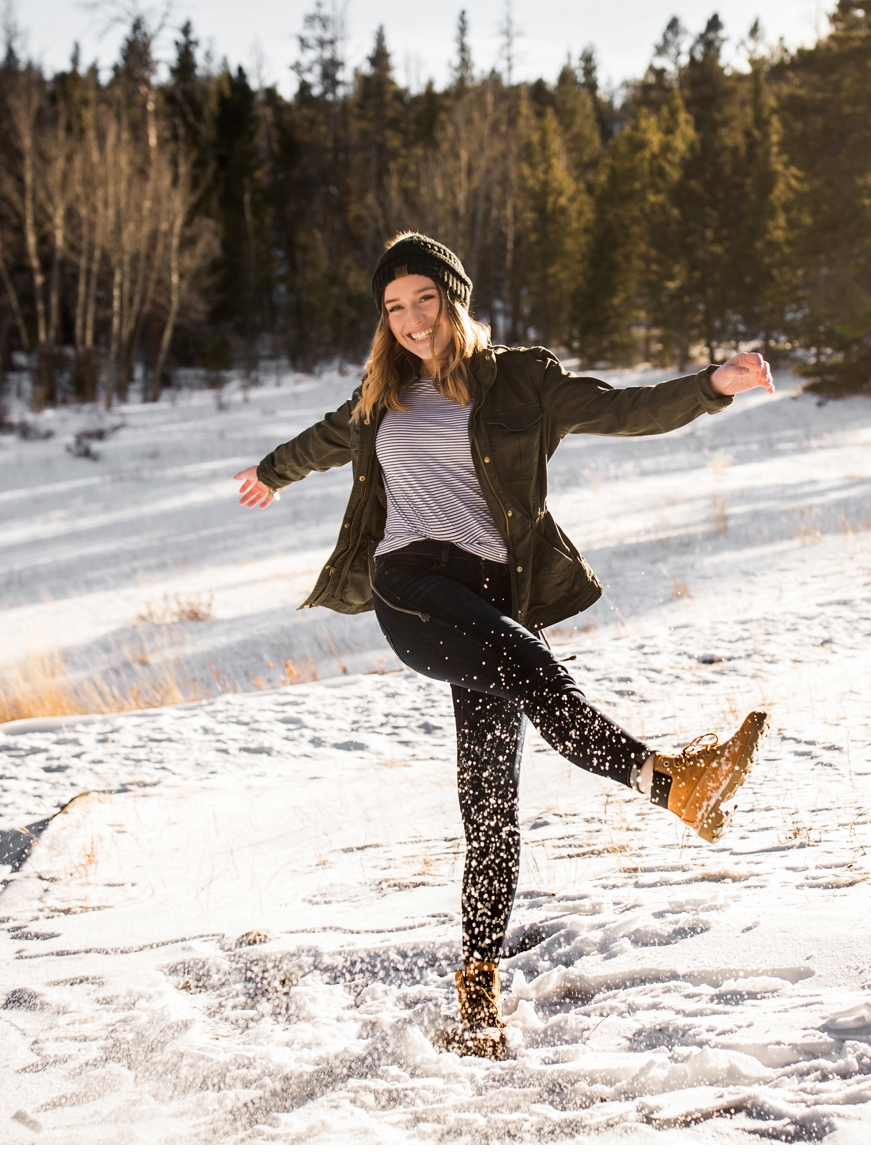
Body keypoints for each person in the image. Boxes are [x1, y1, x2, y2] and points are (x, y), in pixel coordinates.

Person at [232, 230, 773, 1057]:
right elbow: (323, 440)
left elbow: (625, 410)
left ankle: (477, 999)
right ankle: (670, 783)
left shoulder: (523, 380)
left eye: (425, 300)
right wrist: (272, 471)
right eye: (394, 307)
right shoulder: (379, 393)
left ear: (454, 300)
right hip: (409, 587)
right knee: (533, 664)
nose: (413, 320)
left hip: (488, 595)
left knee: (492, 812)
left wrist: (713, 385)